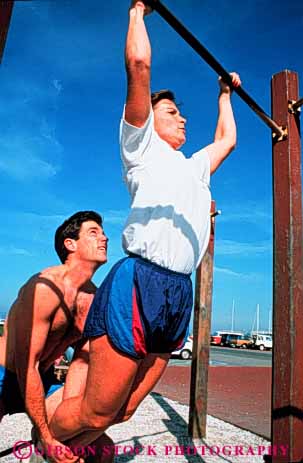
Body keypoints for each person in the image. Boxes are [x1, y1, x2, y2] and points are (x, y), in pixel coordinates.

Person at [49, 0, 241, 446]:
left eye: (182, 113)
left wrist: (225, 95)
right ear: (150, 120)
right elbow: (138, 64)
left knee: (126, 409)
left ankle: (74, 445)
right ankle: (48, 444)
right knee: (98, 410)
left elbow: (227, 139)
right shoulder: (140, 148)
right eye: (172, 111)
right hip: (141, 281)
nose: (182, 118)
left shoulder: (194, 167)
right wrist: (138, 11)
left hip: (179, 290)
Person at [0, 211, 108, 463]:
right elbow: (28, 367)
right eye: (94, 232)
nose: (104, 238)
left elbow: (82, 361)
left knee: (101, 451)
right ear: (70, 244)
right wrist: (47, 437)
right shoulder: (45, 288)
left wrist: (62, 432)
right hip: (6, 373)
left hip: (44, 378)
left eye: (103, 233)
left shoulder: (94, 299)